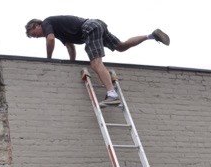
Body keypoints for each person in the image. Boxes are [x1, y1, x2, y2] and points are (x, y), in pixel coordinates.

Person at [25, 16, 170, 105]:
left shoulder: (47, 23)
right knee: (121, 46)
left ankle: (112, 94)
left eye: (35, 34)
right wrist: (72, 63)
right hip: (96, 24)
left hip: (89, 28)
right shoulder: (59, 32)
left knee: (95, 63)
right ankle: (152, 35)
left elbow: (50, 40)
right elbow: (70, 47)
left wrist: (48, 60)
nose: (39, 37)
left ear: (37, 25)